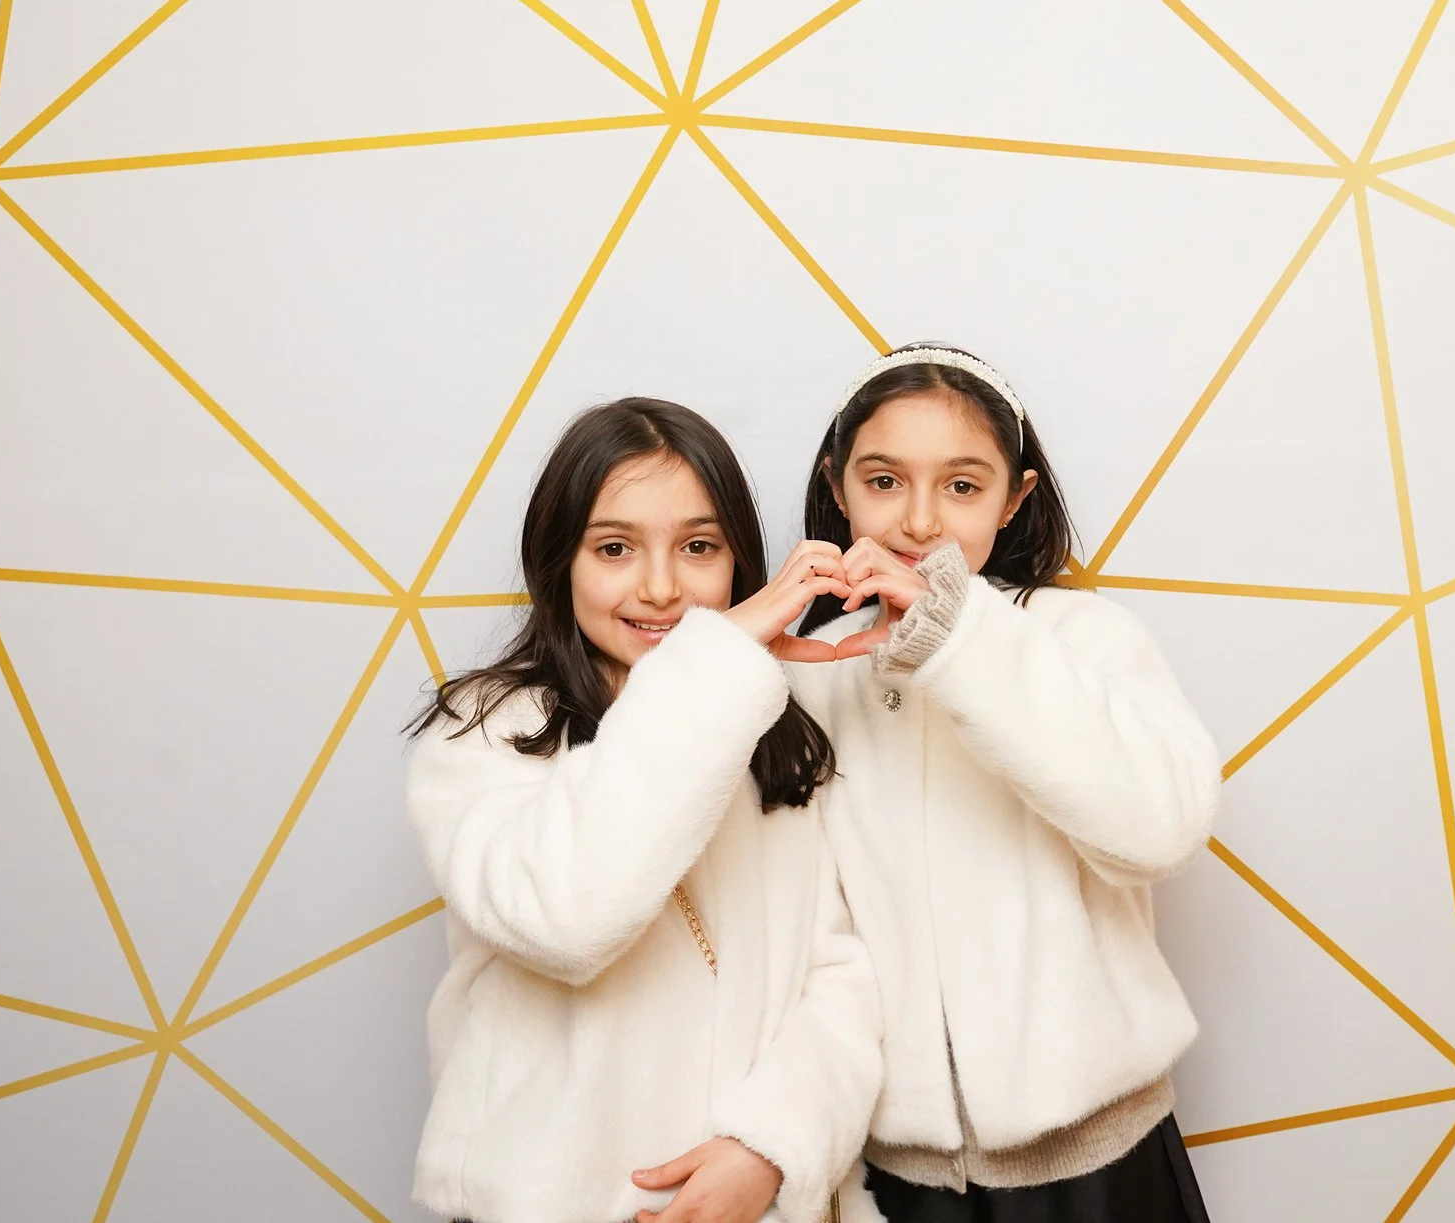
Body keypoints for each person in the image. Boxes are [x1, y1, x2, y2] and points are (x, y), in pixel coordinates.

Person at [407, 397, 882, 1223]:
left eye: (698, 546)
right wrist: (713, 667)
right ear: (559, 559)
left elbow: (843, 976)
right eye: (614, 548)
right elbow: (566, 916)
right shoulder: (485, 732)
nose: (661, 587)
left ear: (738, 561)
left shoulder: (775, 730)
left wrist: (769, 1148)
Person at [790, 346, 1221, 1222]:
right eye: (884, 480)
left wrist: (957, 636)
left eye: (962, 485)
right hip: (891, 1173)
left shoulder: (1082, 637)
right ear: (838, 486)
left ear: (1015, 497)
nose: (919, 520)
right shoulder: (810, 673)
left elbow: (1161, 828)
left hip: (1101, 1161)